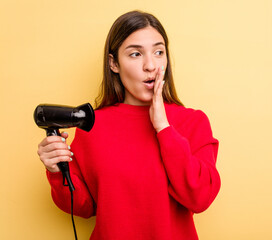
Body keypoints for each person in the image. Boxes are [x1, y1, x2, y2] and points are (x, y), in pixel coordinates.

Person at [37, 10, 221, 240]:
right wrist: (56, 170)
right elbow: (84, 207)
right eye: (135, 54)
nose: (150, 65)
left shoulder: (192, 122)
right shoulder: (92, 125)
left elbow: (200, 197)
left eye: (158, 52)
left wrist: (163, 127)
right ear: (114, 63)